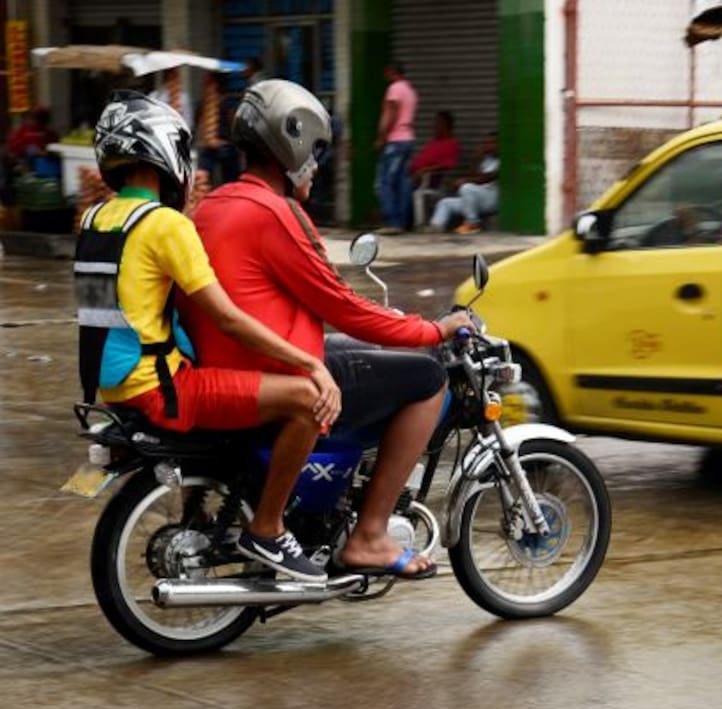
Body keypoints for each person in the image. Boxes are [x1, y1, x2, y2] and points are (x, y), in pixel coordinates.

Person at [184, 79, 475, 578]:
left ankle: (330, 499)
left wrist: (395, 327)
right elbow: (343, 306)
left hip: (235, 360)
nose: (316, 165)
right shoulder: (277, 213)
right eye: (314, 150)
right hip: (273, 370)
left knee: (370, 354)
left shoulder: (213, 206)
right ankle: (370, 535)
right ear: (290, 143)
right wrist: (435, 329)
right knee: (428, 378)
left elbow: (313, 306)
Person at [76, 91, 339, 583]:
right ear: (163, 151)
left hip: (113, 392)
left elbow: (117, 310)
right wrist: (311, 365)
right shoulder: (164, 225)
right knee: (307, 400)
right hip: (161, 390)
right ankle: (268, 528)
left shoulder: (97, 220)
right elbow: (228, 318)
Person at [374, 62, 418, 235]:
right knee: (402, 183)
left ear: (392, 72)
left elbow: (391, 113)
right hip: (408, 140)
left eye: (387, 72)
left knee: (385, 182)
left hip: (395, 142)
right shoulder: (410, 90)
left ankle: (392, 222)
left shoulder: (395, 89)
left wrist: (381, 137)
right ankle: (403, 222)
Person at [428, 132, 499, 234]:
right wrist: (477, 157)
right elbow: (471, 174)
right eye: (485, 143)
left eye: (491, 142)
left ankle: (473, 223)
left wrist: (465, 181)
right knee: (445, 203)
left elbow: (487, 178)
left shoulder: (504, 160)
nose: (487, 145)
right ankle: (435, 228)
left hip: (492, 199)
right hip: (477, 199)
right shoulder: (487, 159)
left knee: (466, 187)